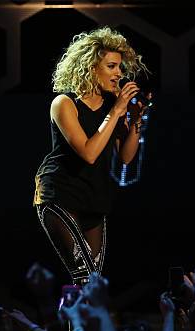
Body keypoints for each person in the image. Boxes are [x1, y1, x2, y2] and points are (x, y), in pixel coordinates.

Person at [34, 26, 150, 283]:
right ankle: (69, 324)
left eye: (120, 67)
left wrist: (135, 122)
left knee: (93, 282)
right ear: (90, 67)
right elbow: (88, 152)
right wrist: (118, 110)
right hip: (61, 193)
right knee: (84, 276)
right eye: (111, 66)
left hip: (94, 196)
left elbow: (126, 158)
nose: (118, 74)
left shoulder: (113, 107)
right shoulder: (64, 103)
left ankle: (76, 323)